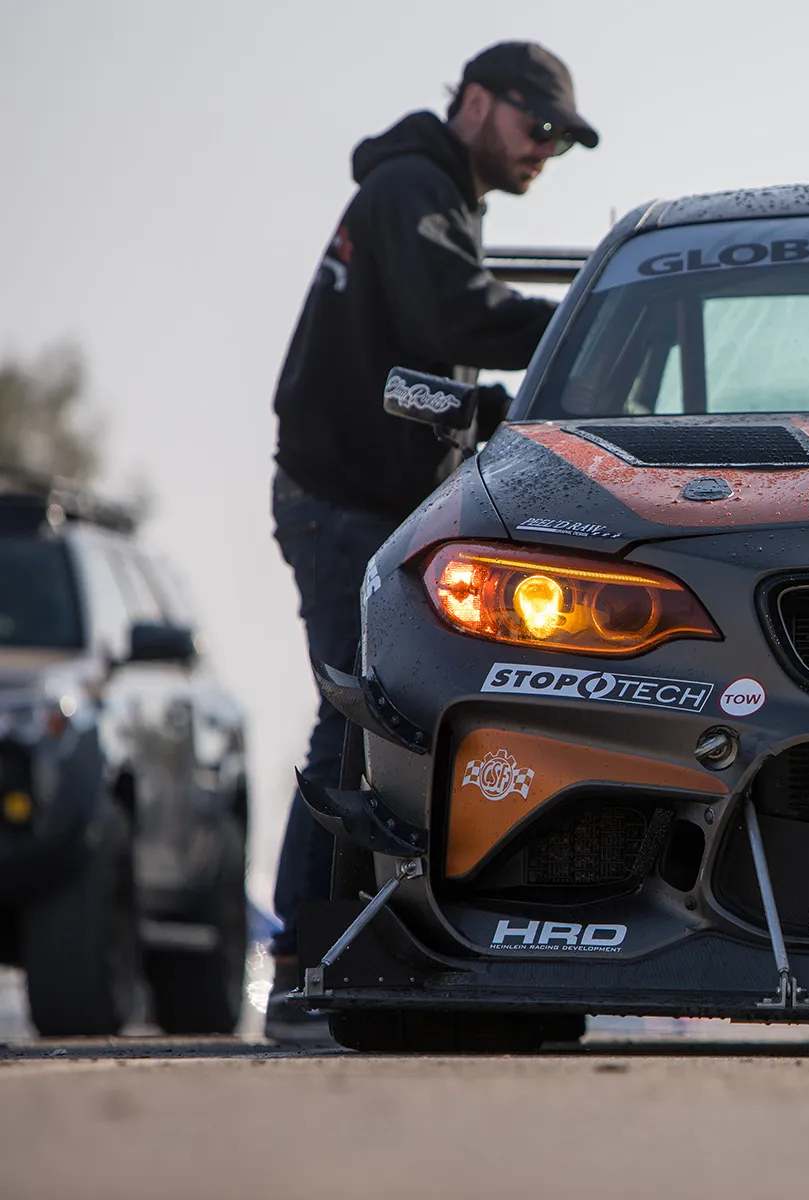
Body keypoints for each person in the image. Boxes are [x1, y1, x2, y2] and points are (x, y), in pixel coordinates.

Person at [263, 42, 598, 1041]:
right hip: (342, 504)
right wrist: (592, 333)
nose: (545, 151)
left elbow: (422, 354)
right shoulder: (414, 187)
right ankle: (302, 969)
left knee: (387, 723)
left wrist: (488, 411)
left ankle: (373, 953)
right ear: (478, 105)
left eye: (562, 141)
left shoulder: (435, 197)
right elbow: (446, 312)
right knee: (355, 722)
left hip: (376, 503)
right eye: (536, 128)